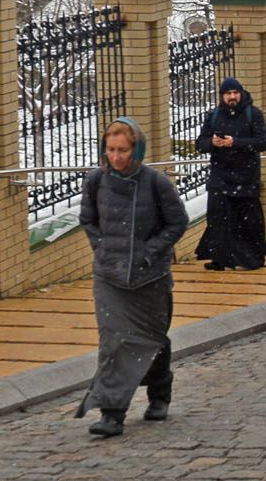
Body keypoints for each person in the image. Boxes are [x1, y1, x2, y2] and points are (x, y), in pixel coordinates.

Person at [77, 117, 187, 438]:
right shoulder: (96, 181)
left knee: (152, 339)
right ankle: (112, 413)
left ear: (136, 149)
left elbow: (177, 222)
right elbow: (88, 219)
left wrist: (148, 252)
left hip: (149, 277)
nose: (117, 157)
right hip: (109, 277)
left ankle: (159, 393)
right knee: (113, 342)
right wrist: (103, 248)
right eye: (111, 149)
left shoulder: (156, 182)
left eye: (123, 150)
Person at [193, 76, 266, 271]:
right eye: (228, 93)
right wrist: (213, 142)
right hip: (220, 177)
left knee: (246, 222)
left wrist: (235, 142)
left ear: (241, 93)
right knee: (218, 219)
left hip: (246, 178)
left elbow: (262, 142)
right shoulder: (214, 116)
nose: (232, 97)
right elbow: (200, 144)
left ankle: (250, 258)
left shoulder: (253, 114)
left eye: (235, 93)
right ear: (222, 96)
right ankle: (220, 258)